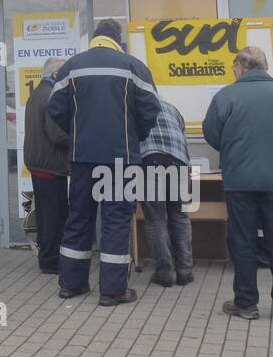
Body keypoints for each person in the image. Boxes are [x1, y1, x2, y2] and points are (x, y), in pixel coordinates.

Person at [47, 20, 160, 306]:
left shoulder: (71, 66)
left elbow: (55, 109)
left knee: (79, 217)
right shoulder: (133, 66)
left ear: (95, 38)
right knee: (116, 220)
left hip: (82, 158)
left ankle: (71, 285)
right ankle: (113, 291)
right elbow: (150, 110)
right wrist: (135, 136)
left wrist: (76, 133)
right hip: (120, 157)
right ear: (117, 40)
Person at [202, 47, 273, 321]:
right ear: (264, 67)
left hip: (239, 181)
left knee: (242, 241)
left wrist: (232, 151)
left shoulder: (226, 95)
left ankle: (245, 303)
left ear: (240, 67)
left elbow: (211, 133)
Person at [140, 97, 194, 288]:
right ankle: (185, 271)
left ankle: (164, 273)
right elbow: (182, 136)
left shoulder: (134, 106)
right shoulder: (173, 108)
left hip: (149, 161)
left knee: (156, 219)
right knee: (180, 216)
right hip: (179, 163)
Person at [23, 57, 68, 274]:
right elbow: (56, 134)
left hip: (38, 163)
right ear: (55, 75)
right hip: (50, 165)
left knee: (44, 213)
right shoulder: (51, 96)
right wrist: (78, 138)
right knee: (54, 214)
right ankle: (51, 261)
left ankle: (45, 256)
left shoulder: (37, 93)